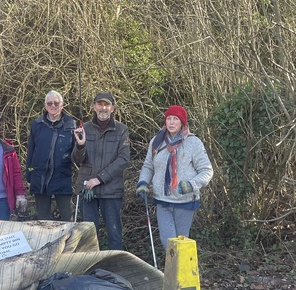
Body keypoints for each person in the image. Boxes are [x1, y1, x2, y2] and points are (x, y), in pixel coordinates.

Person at [137, 105, 214, 250]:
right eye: (169, 119)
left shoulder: (193, 143)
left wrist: (191, 184)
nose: (171, 122)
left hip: (185, 201)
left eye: (176, 119)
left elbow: (207, 170)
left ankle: (183, 271)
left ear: (182, 123)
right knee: (168, 241)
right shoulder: (157, 141)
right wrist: (143, 182)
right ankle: (172, 272)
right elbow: (148, 166)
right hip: (163, 200)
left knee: (182, 242)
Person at [72, 92, 130, 249]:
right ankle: (91, 270)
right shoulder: (83, 129)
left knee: (114, 235)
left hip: (111, 190)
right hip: (87, 190)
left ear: (113, 108)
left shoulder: (122, 130)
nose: (103, 108)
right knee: (88, 237)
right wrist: (80, 145)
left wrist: (99, 179)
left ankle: (116, 269)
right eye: (99, 104)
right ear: (94, 107)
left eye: (107, 105)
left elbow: (123, 159)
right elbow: (77, 160)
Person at [26, 90, 77, 220]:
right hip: (40, 177)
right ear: (45, 105)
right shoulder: (37, 124)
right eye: (49, 103)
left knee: (67, 217)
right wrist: (30, 173)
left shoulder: (71, 125)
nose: (53, 106)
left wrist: (81, 145)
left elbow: (78, 155)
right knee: (42, 219)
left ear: (62, 105)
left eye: (56, 103)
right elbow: (31, 152)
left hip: (62, 176)